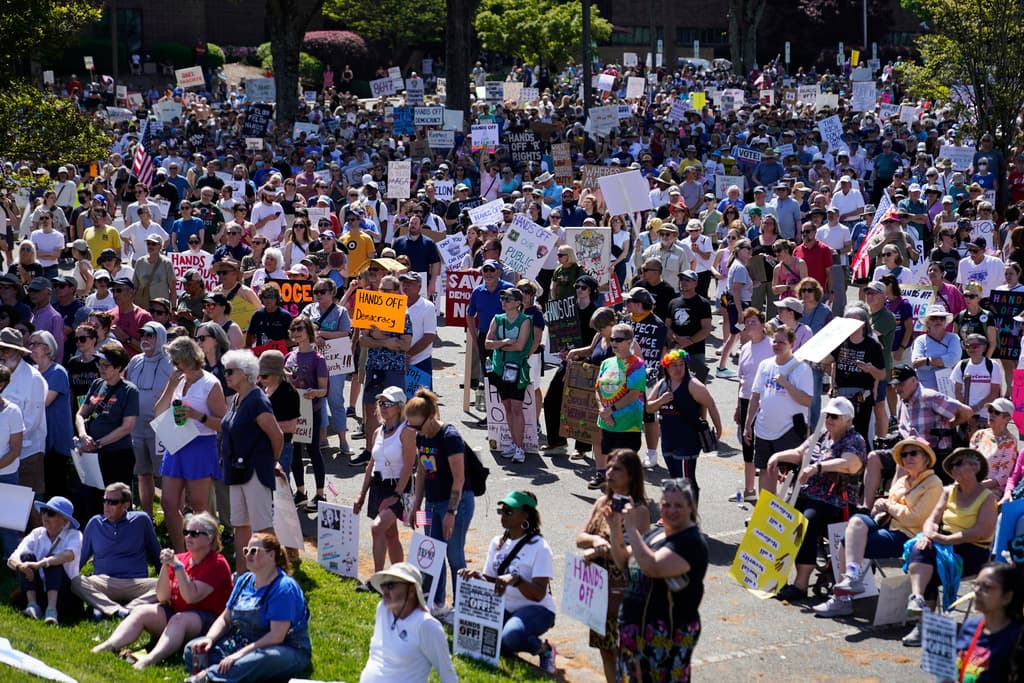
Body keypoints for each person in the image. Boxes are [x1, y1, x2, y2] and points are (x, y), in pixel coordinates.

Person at [812, 437, 943, 618]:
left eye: (914, 453)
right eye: (904, 455)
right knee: (856, 521)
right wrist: (879, 505)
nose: (908, 457)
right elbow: (888, 507)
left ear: (926, 459)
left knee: (846, 542)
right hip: (889, 526)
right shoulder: (903, 480)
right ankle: (851, 577)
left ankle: (843, 599)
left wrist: (888, 506)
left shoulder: (934, 483)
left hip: (909, 535)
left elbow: (915, 518)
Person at [92, 512, 232, 670]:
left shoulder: (217, 564)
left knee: (179, 619)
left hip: (209, 622)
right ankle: (107, 646)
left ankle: (149, 660)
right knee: (141, 611)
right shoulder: (182, 558)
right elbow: (162, 596)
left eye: (195, 534)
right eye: (186, 532)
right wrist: (166, 566)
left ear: (210, 538)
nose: (188, 537)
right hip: (177, 615)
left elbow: (191, 597)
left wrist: (178, 567)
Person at [767, 397, 866, 602]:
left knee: (806, 524)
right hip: (805, 491)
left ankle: (801, 584)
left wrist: (818, 467)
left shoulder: (854, 440)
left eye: (834, 417)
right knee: (779, 517)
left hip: (833, 498)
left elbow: (850, 464)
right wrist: (777, 456)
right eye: (827, 415)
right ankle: (775, 574)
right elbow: (799, 453)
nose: (829, 420)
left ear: (848, 420)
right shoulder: (822, 434)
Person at [607, 478, 707, 683]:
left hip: (666, 637)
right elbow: (622, 560)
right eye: (666, 505)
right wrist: (615, 526)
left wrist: (632, 529)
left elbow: (653, 566)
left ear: (691, 507)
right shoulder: (656, 534)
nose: (671, 510)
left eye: (678, 505)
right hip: (635, 632)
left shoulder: (691, 542)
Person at [184, 533, 311, 683]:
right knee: (192, 649)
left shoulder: (284, 588)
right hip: (244, 643)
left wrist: (239, 655)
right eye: (246, 551)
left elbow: (276, 637)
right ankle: (229, 672)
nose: (248, 555)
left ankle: (209, 677)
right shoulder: (244, 580)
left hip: (285, 649)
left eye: (254, 551)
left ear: (271, 555)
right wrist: (209, 639)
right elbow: (225, 618)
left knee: (256, 660)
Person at [902, 447, 998, 647]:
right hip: (943, 542)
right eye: (952, 465)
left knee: (930, 563)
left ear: (974, 467)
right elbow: (932, 519)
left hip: (973, 549)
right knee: (920, 547)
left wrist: (945, 540)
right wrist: (928, 533)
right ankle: (918, 599)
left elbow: (982, 532)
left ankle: (924, 624)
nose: (953, 468)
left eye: (958, 463)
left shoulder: (987, 497)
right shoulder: (948, 491)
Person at [575, 450, 652, 682]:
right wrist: (596, 541)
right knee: (605, 648)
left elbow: (631, 553)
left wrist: (601, 550)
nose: (609, 473)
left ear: (631, 475)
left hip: (625, 590)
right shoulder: (601, 503)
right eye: (608, 467)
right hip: (600, 589)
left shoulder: (639, 511)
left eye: (616, 469)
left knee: (625, 652)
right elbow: (580, 537)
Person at [459, 491, 557, 670]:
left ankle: (545, 650)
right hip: (503, 607)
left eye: (509, 511)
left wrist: (516, 580)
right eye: (501, 511)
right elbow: (491, 579)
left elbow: (539, 594)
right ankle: (510, 642)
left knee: (511, 636)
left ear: (525, 515)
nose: (503, 515)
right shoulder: (497, 542)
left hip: (537, 609)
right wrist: (477, 576)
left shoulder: (539, 547)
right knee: (484, 639)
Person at [213, 350, 285, 573]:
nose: (225, 375)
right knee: (240, 524)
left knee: (262, 525)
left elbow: (277, 436)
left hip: (254, 471)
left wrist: (270, 461)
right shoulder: (236, 398)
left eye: (229, 371)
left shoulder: (257, 400)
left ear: (245, 373)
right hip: (236, 471)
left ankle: (277, 571)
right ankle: (243, 572)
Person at [153, 337, 227, 551]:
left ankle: (210, 551)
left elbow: (224, 423)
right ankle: (181, 552)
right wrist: (171, 386)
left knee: (199, 505)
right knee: (168, 503)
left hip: (200, 445)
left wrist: (198, 415)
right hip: (176, 443)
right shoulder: (178, 381)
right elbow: (158, 412)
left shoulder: (210, 383)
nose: (174, 366)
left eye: (177, 361)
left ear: (188, 358)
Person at [406, 388, 475, 617]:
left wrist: (451, 513)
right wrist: (417, 506)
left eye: (417, 425)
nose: (415, 431)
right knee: (432, 552)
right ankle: (437, 602)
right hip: (431, 505)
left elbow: (459, 479)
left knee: (454, 555)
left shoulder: (450, 437)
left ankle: (460, 606)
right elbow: (422, 474)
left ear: (431, 416)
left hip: (455, 504)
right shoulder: (420, 437)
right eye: (411, 426)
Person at [353, 386, 416, 590]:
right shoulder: (378, 432)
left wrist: (396, 495)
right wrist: (361, 495)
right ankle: (399, 577)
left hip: (400, 487)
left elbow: (409, 466)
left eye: (388, 403)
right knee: (390, 534)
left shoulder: (406, 432)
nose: (383, 407)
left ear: (399, 407)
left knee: (377, 528)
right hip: (379, 486)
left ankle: (377, 581)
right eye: (381, 403)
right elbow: (371, 465)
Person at [73, 482, 162, 621]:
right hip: (104, 582)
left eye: (112, 502)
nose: (106, 505)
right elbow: (80, 558)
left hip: (136, 583)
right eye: (104, 500)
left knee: (166, 585)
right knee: (76, 582)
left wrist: (168, 575)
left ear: (125, 505)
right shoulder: (95, 523)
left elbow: (156, 553)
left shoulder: (141, 520)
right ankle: (117, 609)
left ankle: (123, 608)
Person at [358, 561, 458, 683]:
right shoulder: (383, 609)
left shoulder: (426, 625)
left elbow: (447, 674)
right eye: (383, 586)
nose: (384, 591)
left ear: (411, 590)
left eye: (390, 586)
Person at [744, 324, 813, 495]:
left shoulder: (801, 368)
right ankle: (764, 512)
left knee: (790, 477)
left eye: (781, 342)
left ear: (792, 344)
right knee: (766, 470)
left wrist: (786, 384)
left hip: (789, 430)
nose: (777, 345)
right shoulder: (765, 365)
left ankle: (785, 515)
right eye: (774, 341)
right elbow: (755, 396)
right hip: (763, 429)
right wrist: (748, 425)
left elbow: (807, 401)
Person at [648, 349, 721, 502]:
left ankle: (690, 515)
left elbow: (711, 406)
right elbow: (648, 407)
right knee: (674, 479)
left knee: (687, 480)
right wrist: (661, 401)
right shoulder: (662, 383)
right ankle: (678, 513)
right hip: (668, 441)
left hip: (687, 441)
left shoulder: (693, 385)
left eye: (681, 364)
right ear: (666, 368)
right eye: (674, 365)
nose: (678, 368)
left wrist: (718, 431)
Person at [7, 496, 83, 626]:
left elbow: (68, 555)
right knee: (26, 557)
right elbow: (13, 558)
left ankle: (51, 610)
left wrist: (42, 563)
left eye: (51, 513)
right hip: (40, 590)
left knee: (53, 561)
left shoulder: (74, 535)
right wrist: (21, 566)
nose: (45, 516)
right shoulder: (37, 533)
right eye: (44, 511)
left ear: (64, 522)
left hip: (64, 594)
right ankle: (33, 605)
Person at [125, 321, 173, 518]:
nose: (144, 338)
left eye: (150, 335)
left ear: (160, 337)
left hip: (162, 426)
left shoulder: (170, 362)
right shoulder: (135, 361)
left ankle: (174, 513)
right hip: (137, 426)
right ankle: (147, 516)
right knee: (143, 473)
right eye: (142, 335)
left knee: (166, 475)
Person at [75, 343, 139, 489]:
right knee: (93, 497)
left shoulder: (129, 390)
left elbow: (127, 427)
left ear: (118, 368)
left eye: (106, 365)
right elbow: (80, 414)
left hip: (118, 455)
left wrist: (98, 443)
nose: (101, 368)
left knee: (117, 501)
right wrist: (83, 435)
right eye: (100, 364)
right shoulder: (97, 384)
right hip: (92, 454)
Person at [286, 316, 329, 511]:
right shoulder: (289, 357)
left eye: (300, 329)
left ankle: (320, 494)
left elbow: (324, 390)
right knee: (294, 452)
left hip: (312, 411)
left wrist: (314, 393)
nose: (296, 332)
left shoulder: (318, 359)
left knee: (313, 451)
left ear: (308, 332)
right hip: (294, 412)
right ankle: (301, 492)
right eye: (294, 329)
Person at [952, 563, 1023, 683]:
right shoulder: (970, 626)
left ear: (1007, 596)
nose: (977, 591)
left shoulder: (1017, 636)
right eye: (976, 584)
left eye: (987, 587)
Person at [486, 287, 534, 462]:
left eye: (508, 299)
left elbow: (520, 346)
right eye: (502, 299)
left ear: (517, 303)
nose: (504, 302)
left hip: (516, 369)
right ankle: (514, 444)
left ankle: (520, 448)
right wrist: (504, 342)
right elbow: (486, 343)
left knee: (516, 407)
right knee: (506, 406)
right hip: (500, 368)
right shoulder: (498, 319)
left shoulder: (525, 320)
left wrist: (497, 344)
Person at [25, 331, 74, 502]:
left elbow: (42, 403)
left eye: (36, 344)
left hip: (56, 439)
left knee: (55, 486)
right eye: (30, 344)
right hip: (40, 440)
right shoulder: (32, 372)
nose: (31, 347)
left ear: (48, 348)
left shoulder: (57, 372)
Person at [595, 323, 647, 479]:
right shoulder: (607, 363)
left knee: (625, 470)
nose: (614, 343)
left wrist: (610, 410)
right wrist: (602, 411)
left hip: (627, 424)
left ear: (629, 342)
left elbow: (633, 394)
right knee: (610, 465)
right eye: (612, 339)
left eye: (618, 340)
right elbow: (597, 388)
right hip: (606, 421)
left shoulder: (637, 364)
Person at [716, 238, 754, 378]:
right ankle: (744, 370)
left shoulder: (738, 265)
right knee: (744, 338)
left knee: (734, 336)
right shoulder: (739, 267)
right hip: (740, 306)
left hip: (738, 305)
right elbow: (736, 291)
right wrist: (740, 312)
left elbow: (739, 288)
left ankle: (722, 367)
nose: (750, 251)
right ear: (738, 250)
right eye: (747, 248)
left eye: (750, 248)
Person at [666, 270, 713, 383]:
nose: (683, 282)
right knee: (673, 384)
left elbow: (706, 329)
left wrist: (690, 341)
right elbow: (667, 326)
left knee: (697, 385)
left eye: (687, 280)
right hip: (675, 350)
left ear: (695, 283)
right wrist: (677, 339)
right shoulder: (673, 303)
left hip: (696, 351)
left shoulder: (703, 303)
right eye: (681, 279)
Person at [970, 397, 1020, 495]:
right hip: (971, 483)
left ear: (1007, 419)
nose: (991, 415)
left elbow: (1002, 478)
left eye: (997, 412)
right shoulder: (979, 434)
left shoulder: (1010, 442)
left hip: (991, 490)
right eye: (990, 410)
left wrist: (975, 487)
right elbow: (968, 462)